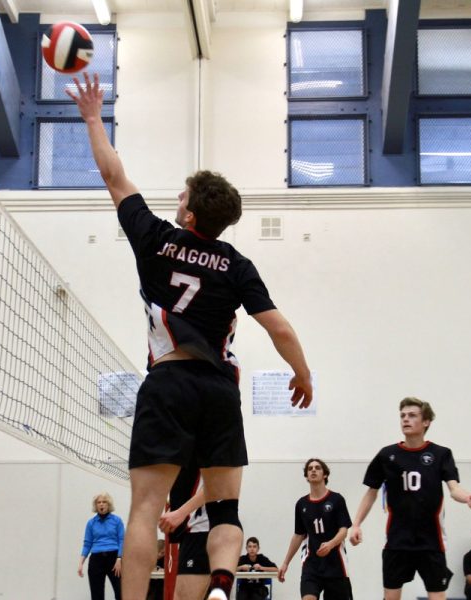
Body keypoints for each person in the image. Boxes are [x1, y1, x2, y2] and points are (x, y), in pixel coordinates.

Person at [67, 71, 313, 600]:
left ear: (190, 212)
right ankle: (224, 585)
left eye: (182, 193)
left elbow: (114, 176)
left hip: (169, 383)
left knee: (144, 509)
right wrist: (303, 374)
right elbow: (279, 327)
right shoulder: (237, 263)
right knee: (225, 507)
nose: (176, 196)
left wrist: (92, 117)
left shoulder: (156, 238)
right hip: (219, 388)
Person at [349, 397, 471, 600]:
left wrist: (468, 498)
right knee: (391, 595)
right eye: (402, 415)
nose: (406, 419)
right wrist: (356, 524)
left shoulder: (440, 454)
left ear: (426, 421)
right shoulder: (387, 455)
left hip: (431, 541)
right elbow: (371, 492)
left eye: (412, 415)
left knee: (437, 596)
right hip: (397, 540)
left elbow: (454, 489)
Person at [278, 458, 353, 600]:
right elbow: (298, 535)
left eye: (317, 468)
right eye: (310, 468)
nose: (313, 470)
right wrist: (285, 562)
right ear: (306, 476)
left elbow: (344, 530)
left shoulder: (336, 499)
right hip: (311, 565)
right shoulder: (301, 504)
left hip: (336, 565)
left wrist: (330, 544)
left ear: (325, 474)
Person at [159, 465, 210, 600]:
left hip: (201, 531)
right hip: (194, 532)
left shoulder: (206, 448)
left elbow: (215, 485)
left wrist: (180, 513)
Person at [78, 493, 125, 600]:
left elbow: (122, 540)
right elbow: (87, 544)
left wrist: (119, 558)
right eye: (98, 502)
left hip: (114, 559)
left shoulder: (117, 520)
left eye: (104, 502)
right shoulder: (91, 523)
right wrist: (81, 562)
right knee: (96, 595)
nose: (101, 504)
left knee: (121, 592)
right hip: (96, 559)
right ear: (96, 505)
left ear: (108, 504)